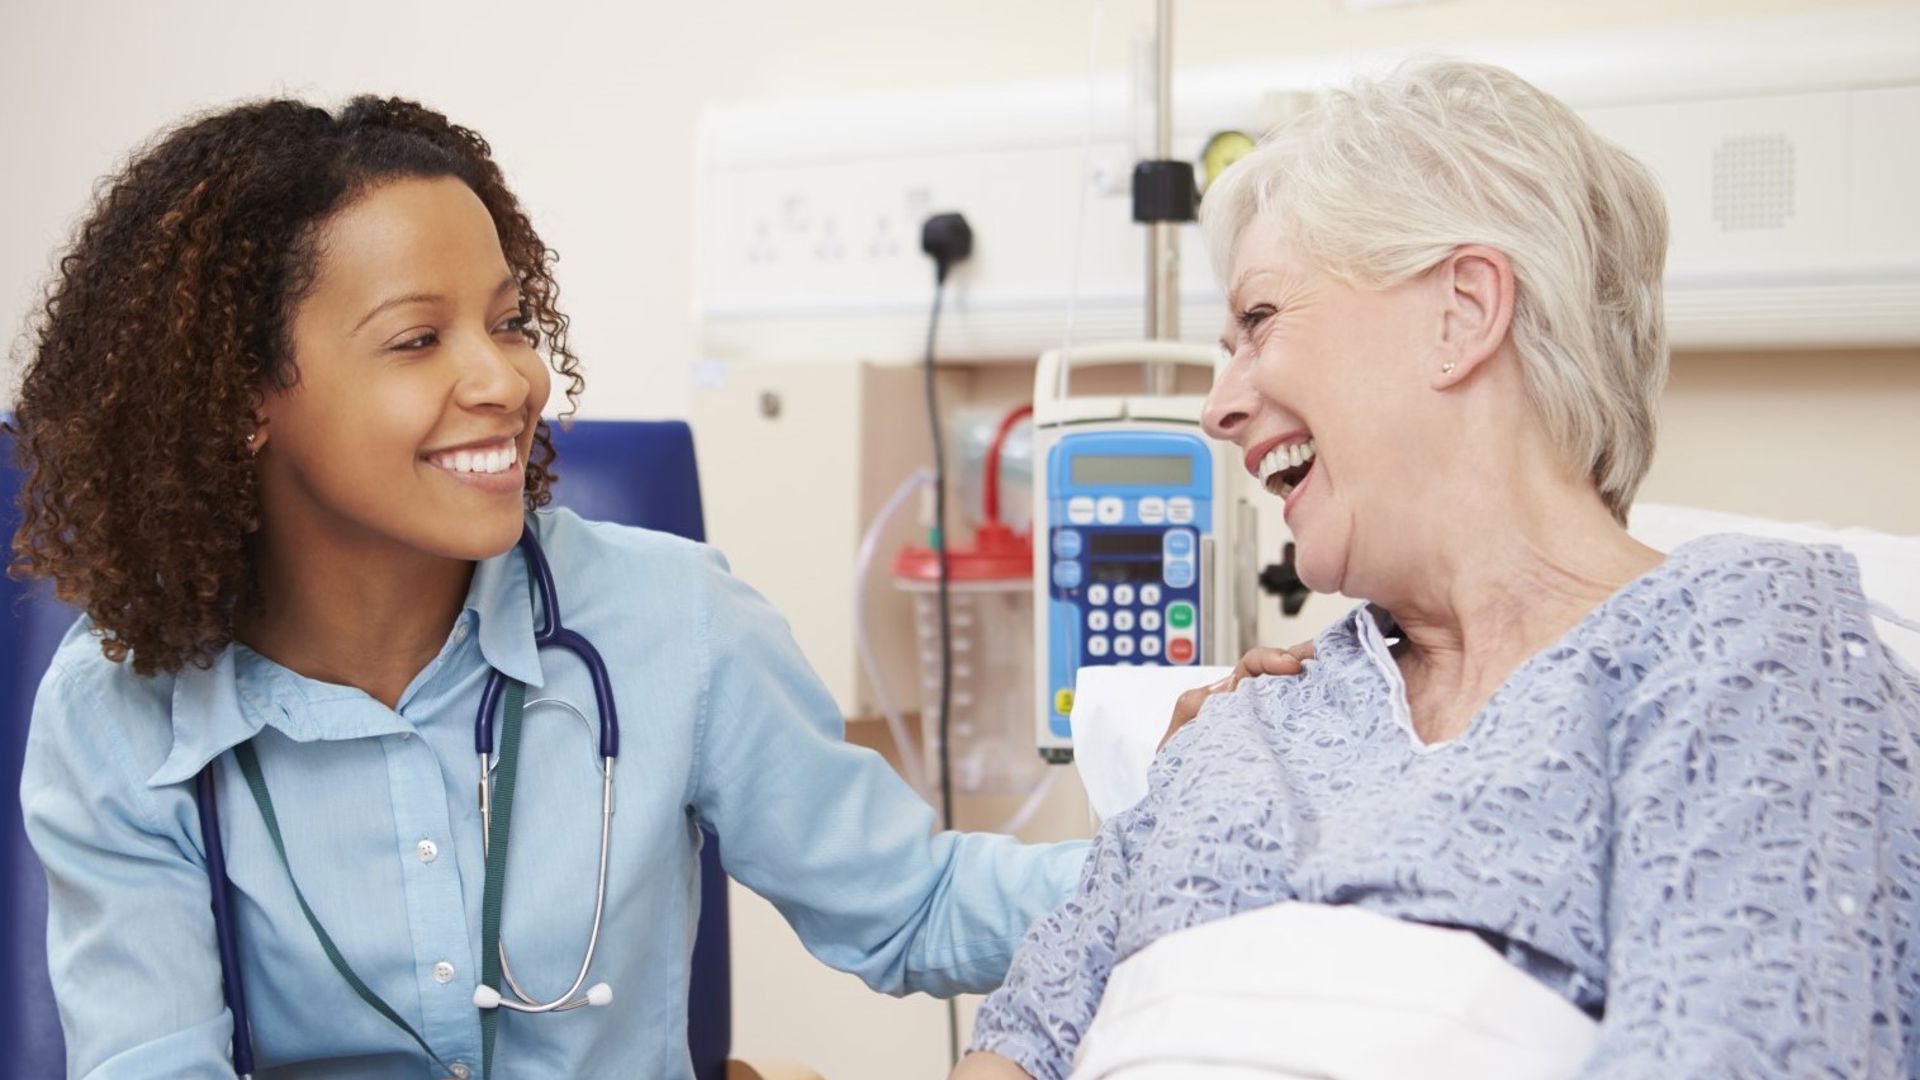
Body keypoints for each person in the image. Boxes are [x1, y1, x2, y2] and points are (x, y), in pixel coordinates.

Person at [12, 96, 1086, 1079]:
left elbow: (915, 904)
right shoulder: (117, 710)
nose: (506, 380)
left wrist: (1207, 824)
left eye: (511, 321)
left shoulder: (672, 623)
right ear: (244, 396)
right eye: (418, 339)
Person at [957, 58, 1920, 1079]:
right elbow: (1019, 1044)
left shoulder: (1743, 649)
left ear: (1462, 312)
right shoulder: (1246, 724)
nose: (1217, 406)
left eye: (1261, 321)